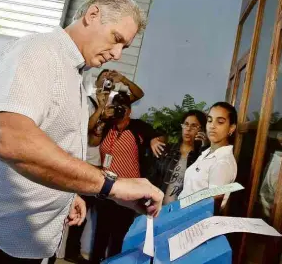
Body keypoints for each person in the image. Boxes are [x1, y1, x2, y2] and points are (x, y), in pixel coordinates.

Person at [0, 0, 164, 264]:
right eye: (117, 40)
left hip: (26, 242)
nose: (117, 54)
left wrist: (67, 194)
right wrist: (110, 186)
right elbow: (11, 141)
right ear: (92, 15)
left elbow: (49, 146)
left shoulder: (73, 74)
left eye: (124, 47)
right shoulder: (39, 52)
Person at [64, 70, 144, 263]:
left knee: (114, 230)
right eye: (104, 80)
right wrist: (101, 109)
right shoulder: (93, 104)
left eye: (110, 81)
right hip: (92, 171)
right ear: (98, 82)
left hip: (114, 178)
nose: (108, 83)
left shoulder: (124, 115)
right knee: (92, 223)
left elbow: (139, 94)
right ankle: (72, 252)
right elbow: (90, 134)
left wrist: (122, 80)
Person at [88, 92, 160, 263]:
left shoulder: (138, 127)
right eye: (116, 107)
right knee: (100, 235)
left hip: (129, 192)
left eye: (123, 108)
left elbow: (158, 135)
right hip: (106, 189)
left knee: (118, 238)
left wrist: (154, 140)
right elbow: (93, 141)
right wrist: (102, 118)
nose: (120, 111)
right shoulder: (107, 126)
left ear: (129, 110)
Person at [178, 102, 238, 213]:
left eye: (220, 122)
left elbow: (210, 209)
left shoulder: (222, 163)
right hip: (180, 214)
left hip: (190, 223)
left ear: (231, 128)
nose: (212, 126)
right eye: (210, 120)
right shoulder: (206, 153)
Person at [147, 110, 208, 205]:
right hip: (158, 208)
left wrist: (204, 147)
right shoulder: (167, 150)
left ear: (202, 130)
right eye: (186, 124)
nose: (188, 129)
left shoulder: (200, 157)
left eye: (194, 126)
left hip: (181, 211)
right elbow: (151, 178)